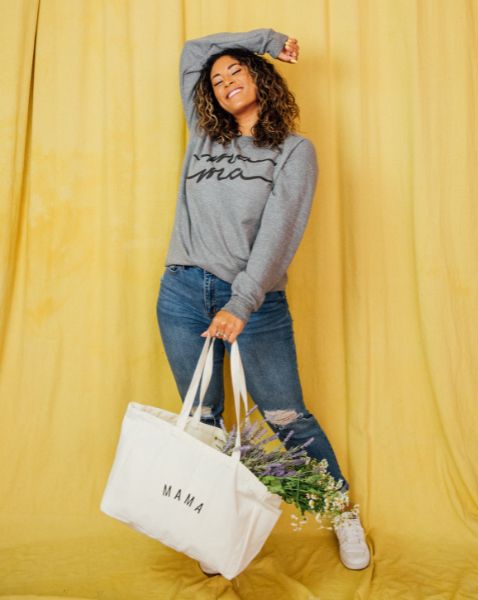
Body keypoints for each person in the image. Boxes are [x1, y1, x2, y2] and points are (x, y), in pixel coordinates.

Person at [156, 28, 370, 573]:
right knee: (205, 420)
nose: (225, 81)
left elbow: (280, 234)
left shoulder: (294, 150)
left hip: (255, 300)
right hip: (182, 292)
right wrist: (265, 38)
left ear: (261, 79)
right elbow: (192, 53)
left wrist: (242, 302)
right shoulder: (204, 133)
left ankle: (341, 513)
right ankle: (215, 527)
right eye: (219, 78)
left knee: (286, 418)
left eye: (238, 71)